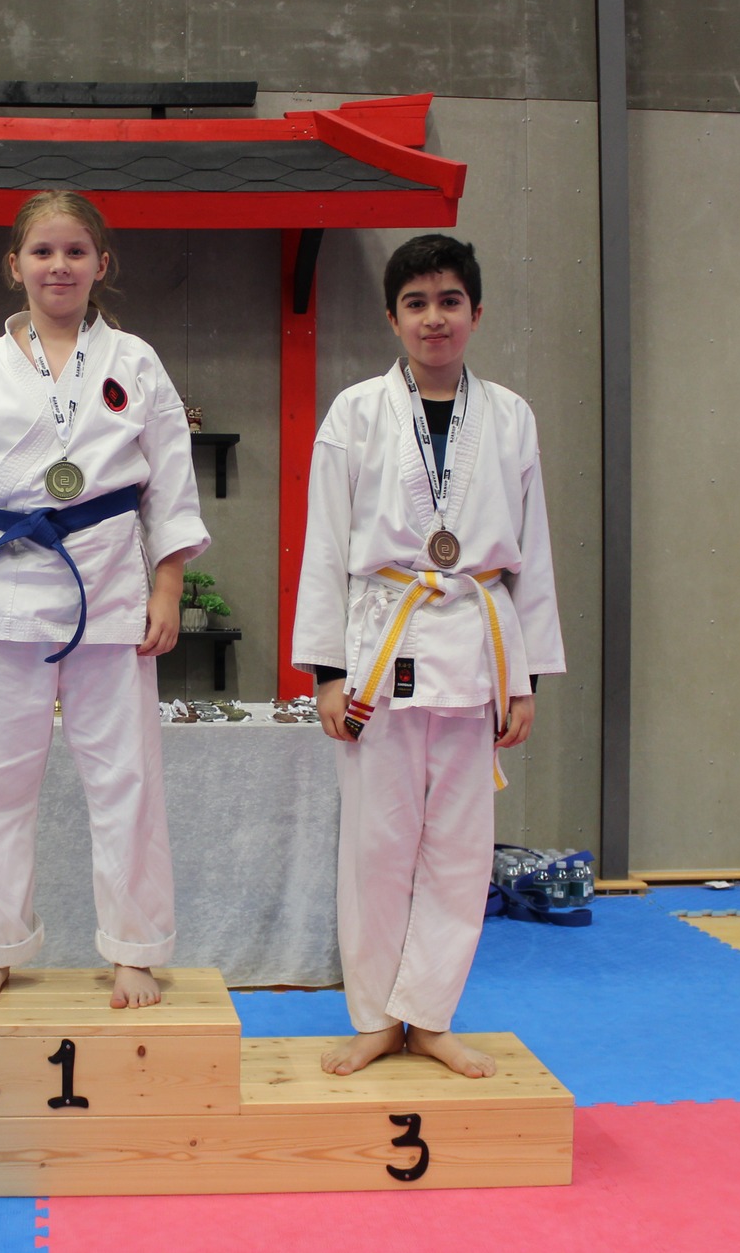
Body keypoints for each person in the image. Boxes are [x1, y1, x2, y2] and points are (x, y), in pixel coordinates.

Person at [0, 190, 209, 1010]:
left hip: (110, 584)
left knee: (126, 779)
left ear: (101, 264)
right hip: (6, 582)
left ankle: (135, 948)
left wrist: (168, 583)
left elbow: (170, 480)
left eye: (76, 251)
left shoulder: (135, 361)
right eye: (43, 251)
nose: (59, 265)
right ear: (16, 265)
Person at [292, 235, 564, 1078]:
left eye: (450, 301)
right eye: (416, 303)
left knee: (460, 850)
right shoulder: (354, 413)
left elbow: (533, 554)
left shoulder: (511, 416)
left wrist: (525, 679)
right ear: (392, 318)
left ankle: (433, 1015)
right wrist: (327, 671)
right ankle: (377, 1017)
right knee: (376, 848)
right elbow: (325, 543)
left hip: (478, 649)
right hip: (381, 650)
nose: (434, 318)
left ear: (476, 313)